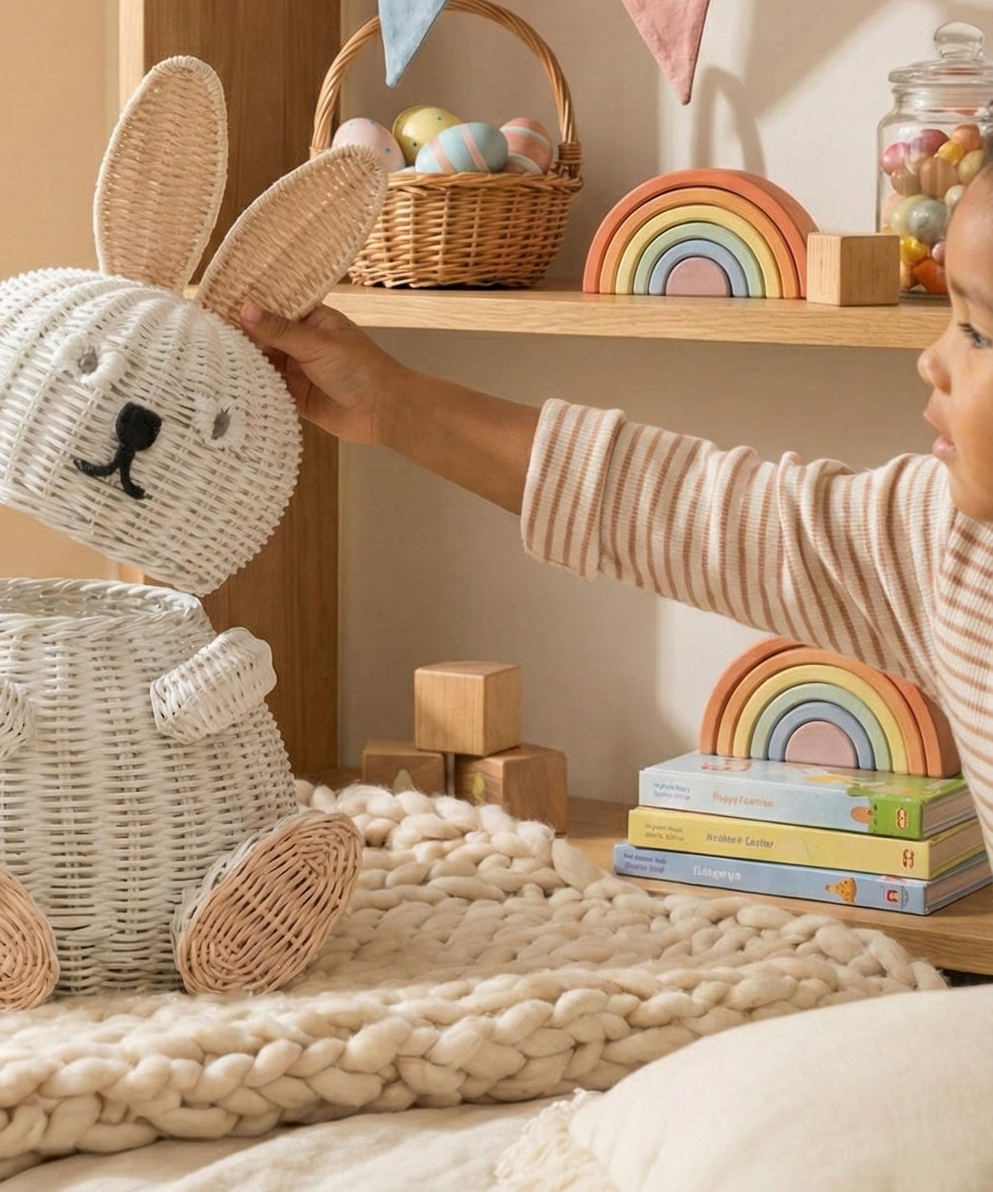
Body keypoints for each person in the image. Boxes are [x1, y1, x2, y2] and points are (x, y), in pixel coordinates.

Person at [240, 166, 993, 844]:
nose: (931, 359)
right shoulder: (952, 550)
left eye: (977, 331)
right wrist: (393, 407)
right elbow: (685, 508)